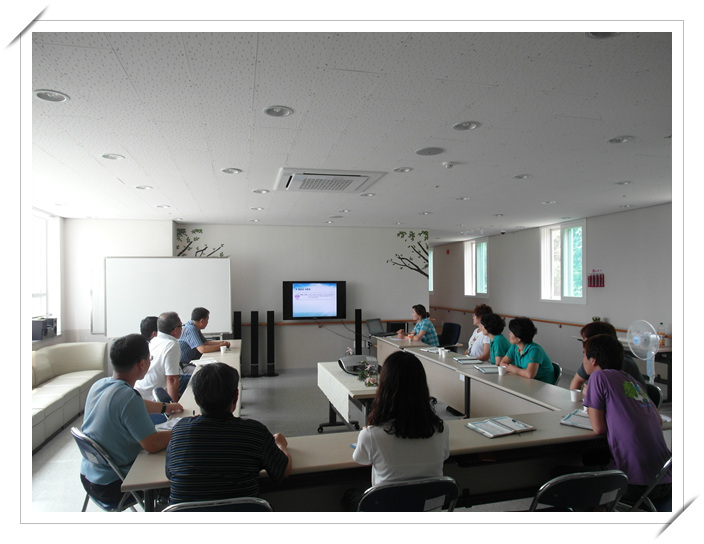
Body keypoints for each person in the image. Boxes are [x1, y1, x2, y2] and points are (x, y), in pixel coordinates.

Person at [166, 362, 292, 504]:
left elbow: (169, 474)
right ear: (236, 397)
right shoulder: (255, 433)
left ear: (196, 400)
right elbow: (284, 471)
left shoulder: (179, 431)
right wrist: (281, 446)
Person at [79, 334, 175, 505]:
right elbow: (152, 444)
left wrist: (165, 407)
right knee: (176, 465)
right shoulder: (128, 397)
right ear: (142, 364)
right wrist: (183, 429)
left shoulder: (100, 385)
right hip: (115, 486)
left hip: (90, 478)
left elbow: (134, 405)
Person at [582, 334, 671, 502]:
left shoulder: (598, 377)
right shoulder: (629, 380)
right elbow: (658, 421)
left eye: (584, 355)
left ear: (593, 360)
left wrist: (590, 397)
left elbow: (599, 428)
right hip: (665, 479)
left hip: (637, 485)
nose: (583, 360)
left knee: (559, 474)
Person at [353, 351, 449, 485]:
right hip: (431, 499)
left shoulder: (370, 435)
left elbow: (361, 460)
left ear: (384, 387)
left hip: (388, 499)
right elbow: (445, 456)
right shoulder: (441, 429)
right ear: (422, 386)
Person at [569, 321, 646, 391]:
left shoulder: (621, 364)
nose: (584, 346)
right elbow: (576, 383)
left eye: (586, 342)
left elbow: (610, 397)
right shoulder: (592, 359)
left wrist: (590, 393)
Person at [135, 312, 188, 402]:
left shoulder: (154, 340)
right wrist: (173, 406)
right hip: (153, 398)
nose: (182, 329)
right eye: (181, 326)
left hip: (140, 392)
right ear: (175, 330)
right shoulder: (172, 344)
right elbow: (171, 379)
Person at [499, 316, 555, 384]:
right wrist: (513, 369)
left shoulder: (535, 350)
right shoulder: (515, 346)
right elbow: (502, 363)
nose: (509, 334)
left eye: (511, 332)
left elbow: (530, 374)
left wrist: (515, 370)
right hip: (525, 381)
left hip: (543, 384)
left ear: (519, 338)